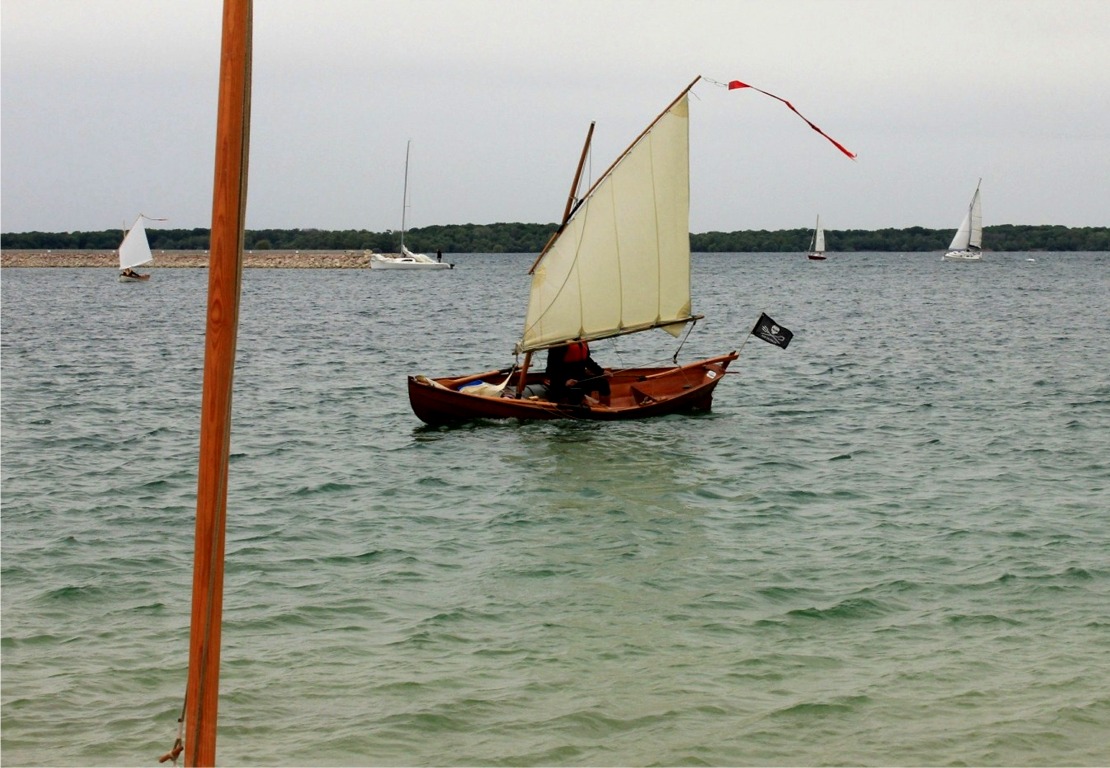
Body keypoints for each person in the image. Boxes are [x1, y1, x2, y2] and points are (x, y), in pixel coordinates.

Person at [545, 340, 610, 406]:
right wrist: (564, 381)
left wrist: (601, 371)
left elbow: (587, 360)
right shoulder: (559, 343)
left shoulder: (581, 342)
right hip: (561, 382)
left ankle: (607, 410)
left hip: (579, 378)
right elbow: (551, 369)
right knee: (575, 390)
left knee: (603, 383)